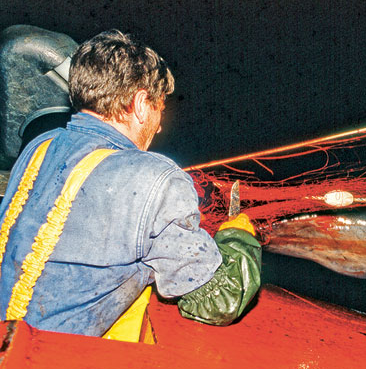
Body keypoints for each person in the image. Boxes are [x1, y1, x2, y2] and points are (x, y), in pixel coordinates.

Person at [0, 30, 261, 340]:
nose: (159, 124)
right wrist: (239, 237)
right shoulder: (155, 176)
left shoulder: (40, 145)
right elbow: (218, 301)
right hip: (48, 361)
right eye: (158, 109)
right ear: (139, 104)